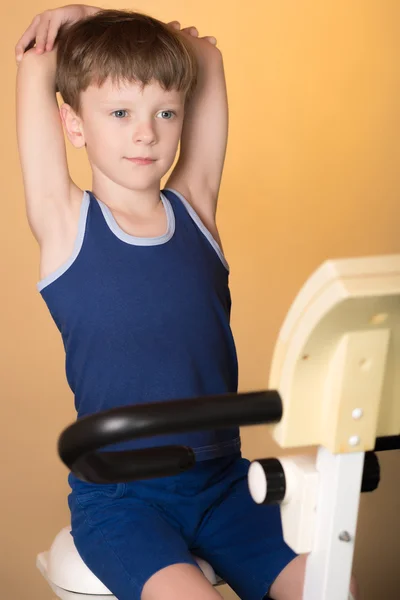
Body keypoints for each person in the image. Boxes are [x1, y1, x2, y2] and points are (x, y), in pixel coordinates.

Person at [15, 5, 358, 600]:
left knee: (333, 586)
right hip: (124, 498)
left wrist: (107, 17)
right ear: (74, 127)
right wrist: (87, 18)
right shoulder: (66, 222)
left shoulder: (194, 206)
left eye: (165, 113)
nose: (145, 132)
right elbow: (38, 63)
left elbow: (208, 57)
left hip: (225, 483)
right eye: (119, 113)